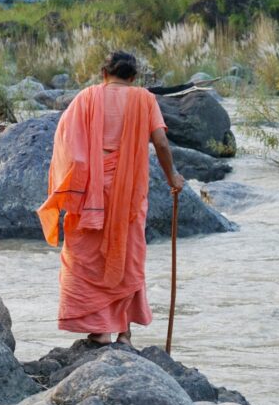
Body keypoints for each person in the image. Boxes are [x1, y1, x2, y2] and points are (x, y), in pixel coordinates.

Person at [38, 51, 184, 346]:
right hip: (129, 191)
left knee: (86, 256)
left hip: (90, 190)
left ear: (104, 73)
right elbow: (161, 142)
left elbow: (66, 142)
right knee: (126, 254)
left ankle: (100, 328)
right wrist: (173, 178)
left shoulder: (87, 97)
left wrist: (70, 186)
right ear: (133, 78)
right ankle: (124, 333)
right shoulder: (144, 99)